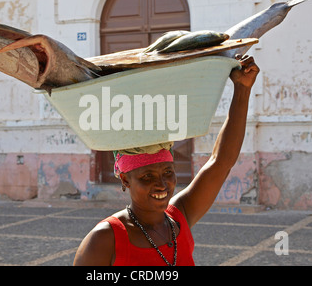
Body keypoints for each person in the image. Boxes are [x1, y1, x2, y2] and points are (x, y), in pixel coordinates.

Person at [73, 54, 260, 266]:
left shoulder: (179, 216)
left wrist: (243, 88)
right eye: (147, 176)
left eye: (168, 172)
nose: (162, 184)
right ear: (125, 180)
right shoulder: (104, 239)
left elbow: (221, 162)